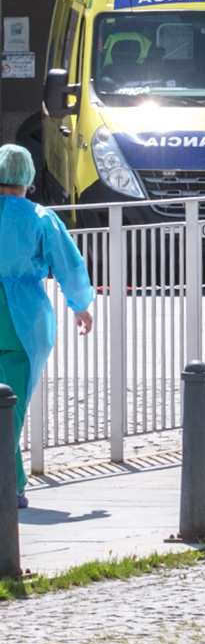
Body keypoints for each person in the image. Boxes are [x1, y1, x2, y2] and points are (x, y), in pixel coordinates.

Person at [0, 144, 94, 510]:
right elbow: (68, 264)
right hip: (26, 320)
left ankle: (12, 481)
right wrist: (81, 305)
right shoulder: (41, 218)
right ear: (27, 179)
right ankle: (11, 484)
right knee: (12, 407)